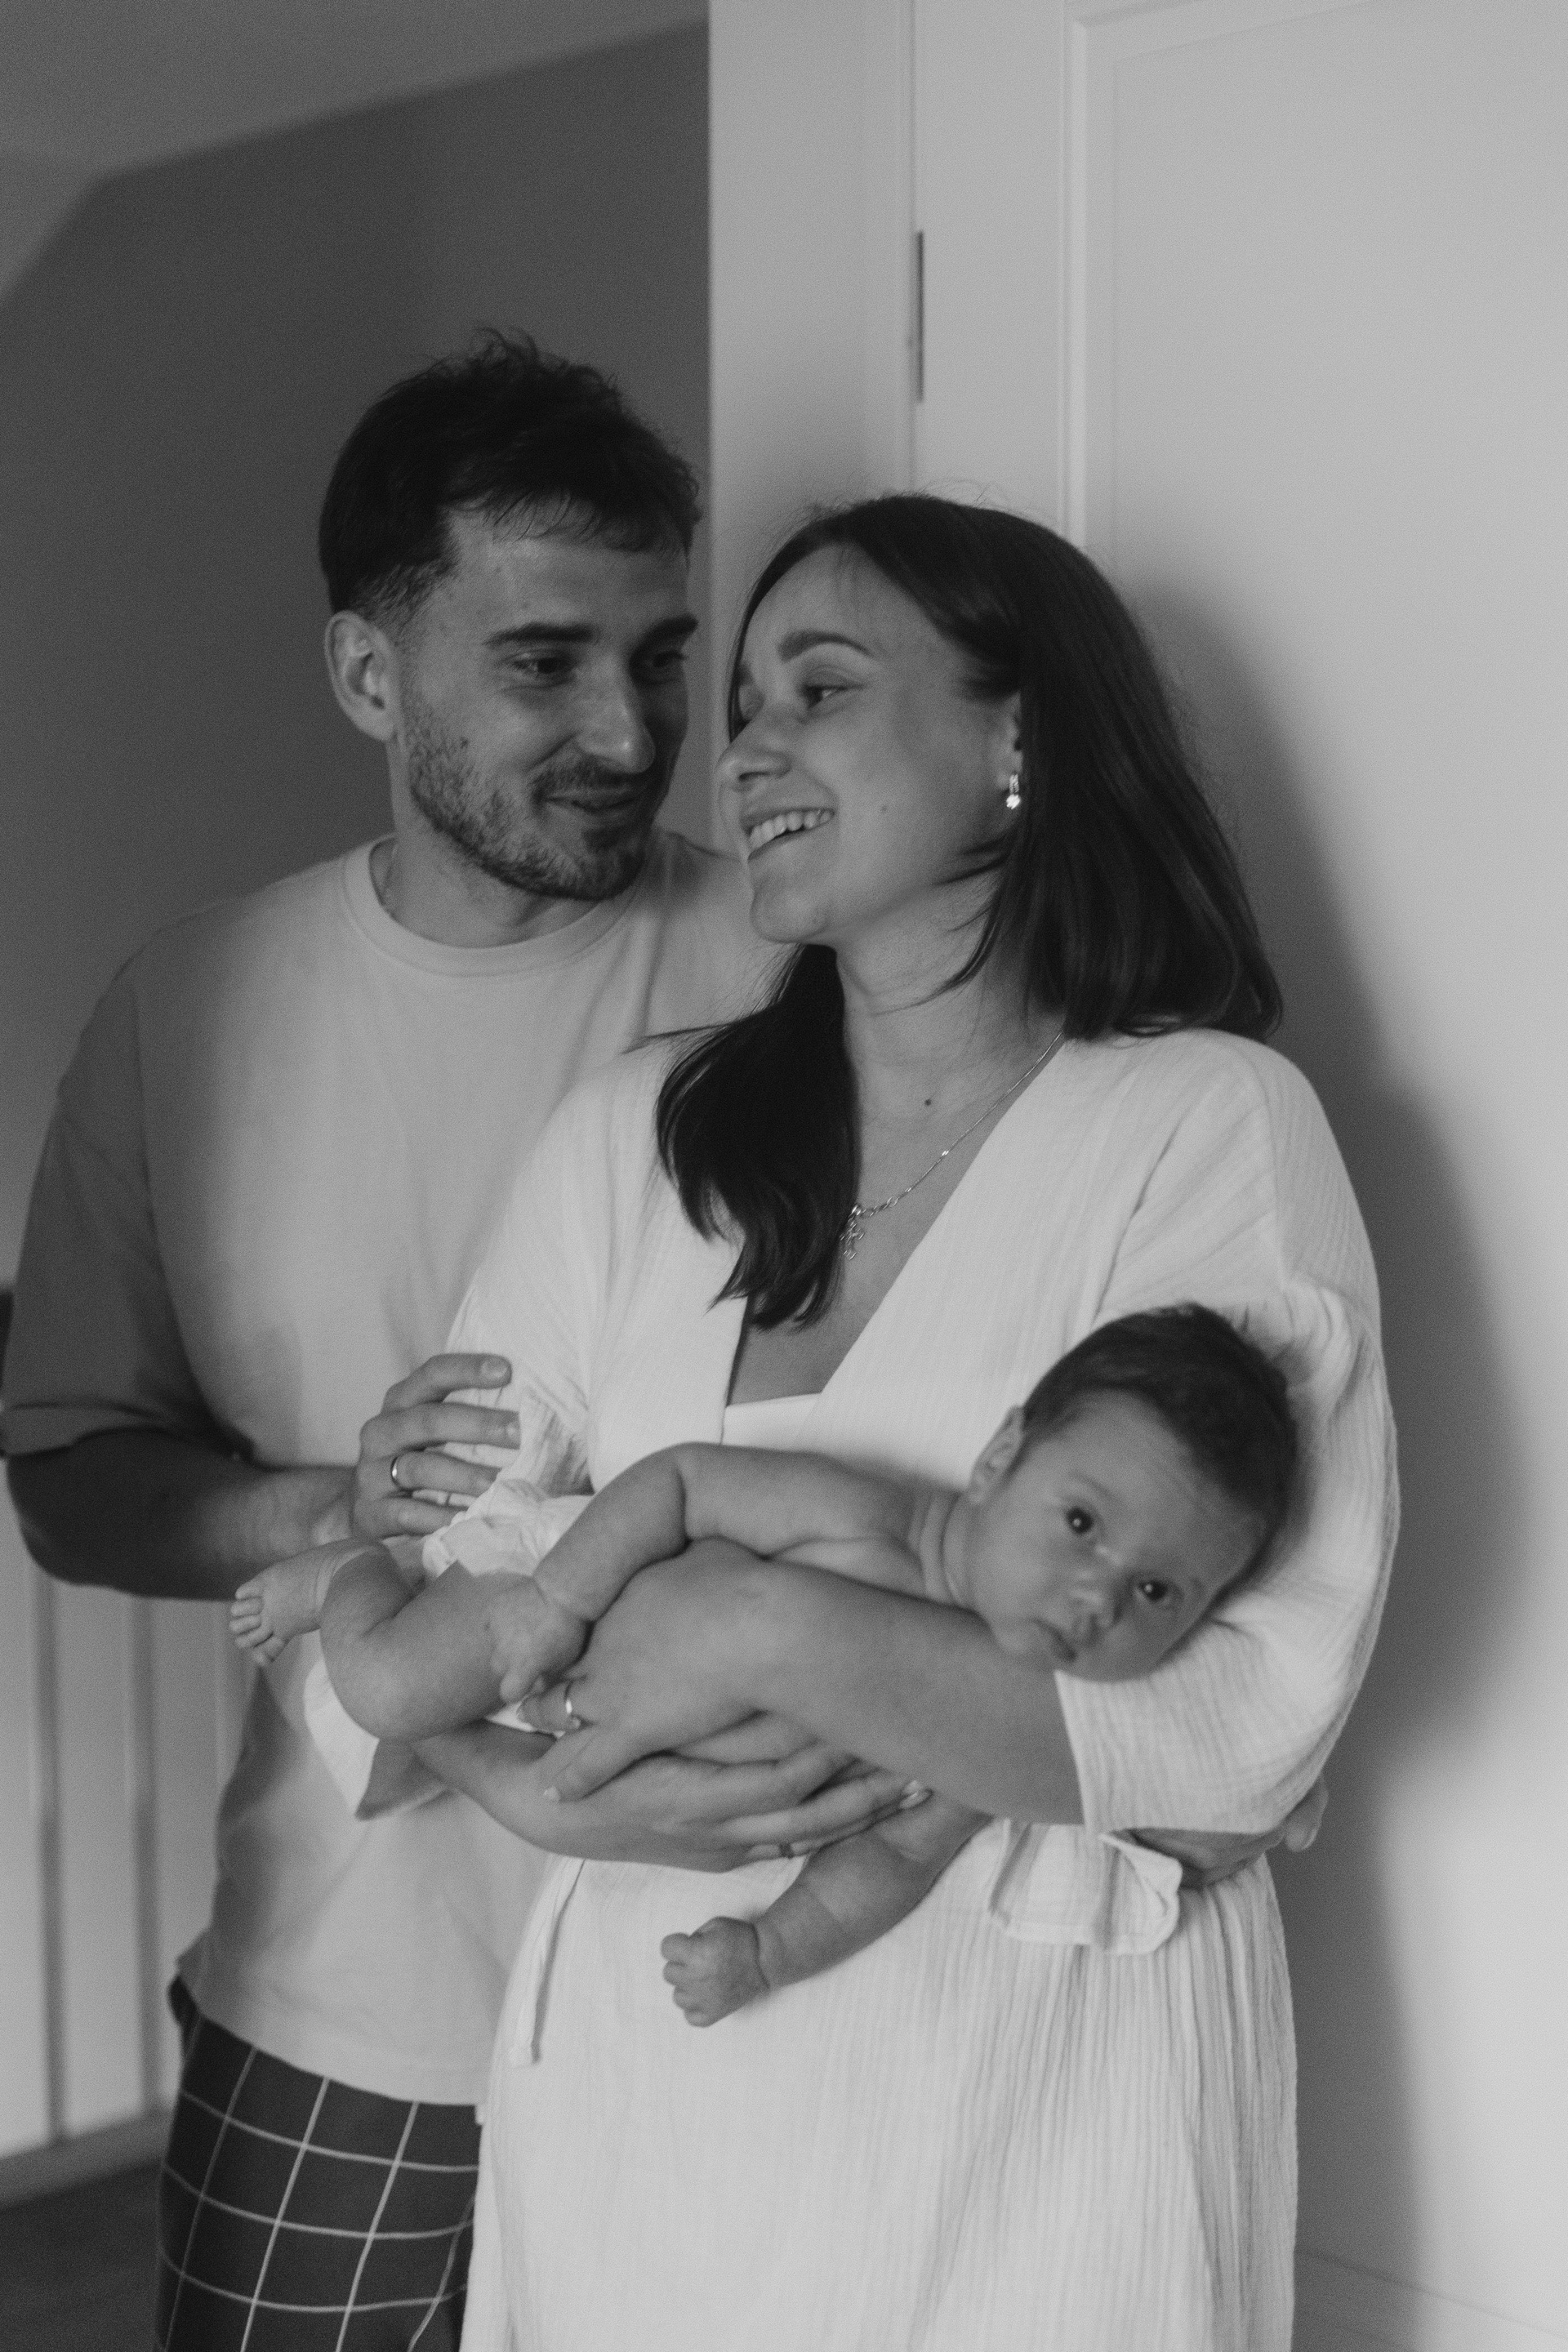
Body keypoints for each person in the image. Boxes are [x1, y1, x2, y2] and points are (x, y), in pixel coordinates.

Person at [376, 493, 1396, 2352]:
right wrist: (528, 1782)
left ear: (1020, 741)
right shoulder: (634, 1141)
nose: (745, 748)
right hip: (648, 2104)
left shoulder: (1205, 1128)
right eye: (744, 702)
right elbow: (447, 1585)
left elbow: (1244, 1730)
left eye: (821, 689)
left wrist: (757, 1624)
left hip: (1033, 2106)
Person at [0, 338, 908, 2351]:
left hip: (750, 1968)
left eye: (661, 657)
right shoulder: (188, 1011)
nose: (631, 729)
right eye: (544, 662)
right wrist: (341, 1504)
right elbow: (69, 1483)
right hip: (352, 2007)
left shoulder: (809, 975)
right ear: (367, 675)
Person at [231, 1303, 1298, 2026]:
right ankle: (352, 1575)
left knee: (506, 1770)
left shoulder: (985, 1741)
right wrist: (558, 1600)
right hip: (559, 1582)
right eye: (1081, 1523)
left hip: (578, 1732)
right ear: (1000, 1459)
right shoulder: (874, 1524)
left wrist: (772, 1951)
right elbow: (681, 1484)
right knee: (389, 1690)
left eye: (1158, 1593)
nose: (1096, 1599)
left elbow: (894, 1860)